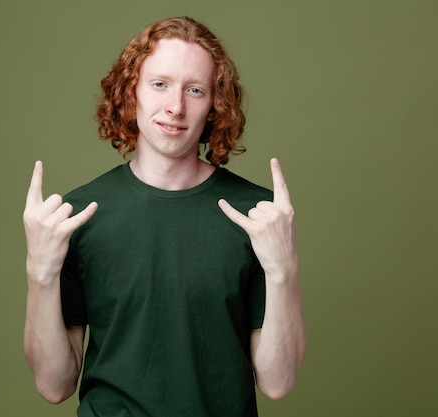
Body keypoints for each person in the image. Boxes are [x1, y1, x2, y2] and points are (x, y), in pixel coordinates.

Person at [23, 16, 306, 416]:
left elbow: (278, 382)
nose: (175, 106)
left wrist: (283, 270)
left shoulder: (259, 218)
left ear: (213, 106)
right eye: (160, 84)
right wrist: (40, 271)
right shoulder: (76, 217)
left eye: (195, 90)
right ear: (131, 92)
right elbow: (54, 386)